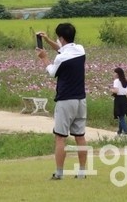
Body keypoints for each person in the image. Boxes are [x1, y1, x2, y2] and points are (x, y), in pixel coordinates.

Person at [35, 23, 87, 180]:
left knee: (60, 137)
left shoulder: (60, 58)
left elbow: (52, 72)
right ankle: (82, 172)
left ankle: (59, 173)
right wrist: (48, 40)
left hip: (65, 100)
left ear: (62, 38)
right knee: (80, 137)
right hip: (81, 100)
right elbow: (62, 49)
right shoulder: (80, 50)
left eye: (58, 38)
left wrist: (44, 58)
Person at [111, 67, 127, 135]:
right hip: (125, 99)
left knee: (121, 116)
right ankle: (119, 131)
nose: (113, 74)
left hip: (119, 99)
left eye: (114, 73)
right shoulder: (125, 81)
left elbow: (116, 91)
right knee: (122, 115)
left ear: (117, 74)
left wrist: (111, 90)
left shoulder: (116, 81)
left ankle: (126, 131)